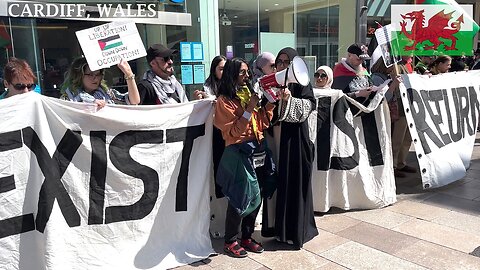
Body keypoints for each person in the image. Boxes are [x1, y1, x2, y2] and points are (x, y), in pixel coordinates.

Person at [214, 57, 276, 258]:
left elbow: (263, 123)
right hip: (238, 152)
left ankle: (246, 237)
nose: (247, 75)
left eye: (248, 72)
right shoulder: (224, 101)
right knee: (240, 196)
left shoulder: (249, 93)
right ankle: (230, 240)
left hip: (256, 150)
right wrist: (249, 108)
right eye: (242, 72)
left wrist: (270, 104)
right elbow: (233, 133)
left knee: (256, 197)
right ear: (232, 74)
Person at [273, 47, 318, 249]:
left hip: (296, 142)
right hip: (276, 141)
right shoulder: (273, 81)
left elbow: (309, 106)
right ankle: (280, 231)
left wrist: (289, 100)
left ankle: (297, 231)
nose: (282, 65)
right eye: (279, 62)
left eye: (286, 62)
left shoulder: (303, 83)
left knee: (296, 183)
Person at [61, 57, 140, 107]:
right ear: (79, 76)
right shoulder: (67, 97)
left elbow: (134, 101)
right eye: (90, 74)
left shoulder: (108, 93)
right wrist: (91, 104)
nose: (95, 78)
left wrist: (129, 74)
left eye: (98, 74)